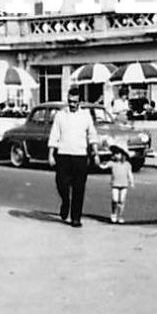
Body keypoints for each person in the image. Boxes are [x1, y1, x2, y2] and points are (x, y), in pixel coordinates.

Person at [48, 91, 100, 228]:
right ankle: (66, 202)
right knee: (61, 184)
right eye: (70, 101)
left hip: (80, 155)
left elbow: (92, 134)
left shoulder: (85, 115)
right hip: (63, 154)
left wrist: (95, 153)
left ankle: (75, 218)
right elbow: (55, 134)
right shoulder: (60, 115)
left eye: (75, 102)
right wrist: (51, 154)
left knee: (79, 188)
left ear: (80, 102)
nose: (72, 104)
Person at [107, 147, 134, 223]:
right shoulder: (112, 163)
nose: (116, 155)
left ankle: (120, 215)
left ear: (122, 155)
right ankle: (114, 213)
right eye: (115, 154)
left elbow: (129, 174)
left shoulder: (127, 164)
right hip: (115, 184)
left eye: (118, 154)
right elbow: (104, 166)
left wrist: (131, 182)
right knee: (115, 199)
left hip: (124, 184)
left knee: (121, 200)